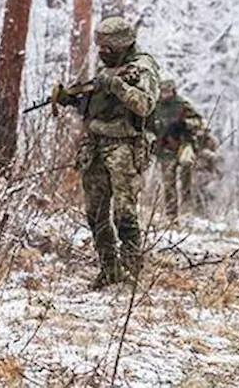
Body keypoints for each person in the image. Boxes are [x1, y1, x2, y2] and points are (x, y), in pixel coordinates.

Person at [69, 16, 160, 289]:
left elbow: (145, 105)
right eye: (101, 46)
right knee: (94, 213)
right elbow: (97, 103)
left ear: (122, 45)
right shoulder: (107, 66)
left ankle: (131, 274)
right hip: (95, 144)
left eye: (108, 47)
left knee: (125, 214)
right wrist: (73, 99)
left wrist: (116, 85)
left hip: (124, 145)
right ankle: (110, 270)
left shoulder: (143, 67)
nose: (102, 52)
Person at [151, 79, 208, 220]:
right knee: (168, 183)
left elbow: (199, 122)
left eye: (168, 91)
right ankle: (171, 216)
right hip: (165, 149)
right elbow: (148, 126)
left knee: (186, 167)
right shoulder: (155, 107)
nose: (165, 95)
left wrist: (184, 124)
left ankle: (186, 207)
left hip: (183, 145)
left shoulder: (182, 104)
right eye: (163, 92)